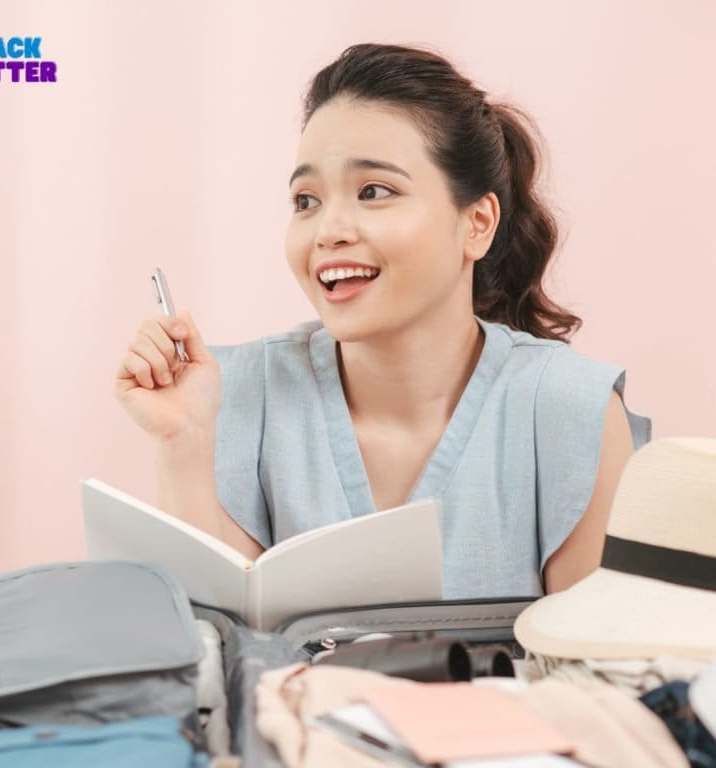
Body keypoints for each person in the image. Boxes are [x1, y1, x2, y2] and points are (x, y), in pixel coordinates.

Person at [115, 43, 650, 599]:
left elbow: (589, 674)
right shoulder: (233, 394)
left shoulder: (568, 411)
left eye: (374, 191)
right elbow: (216, 647)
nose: (329, 230)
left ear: (477, 223)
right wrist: (182, 442)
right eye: (306, 200)